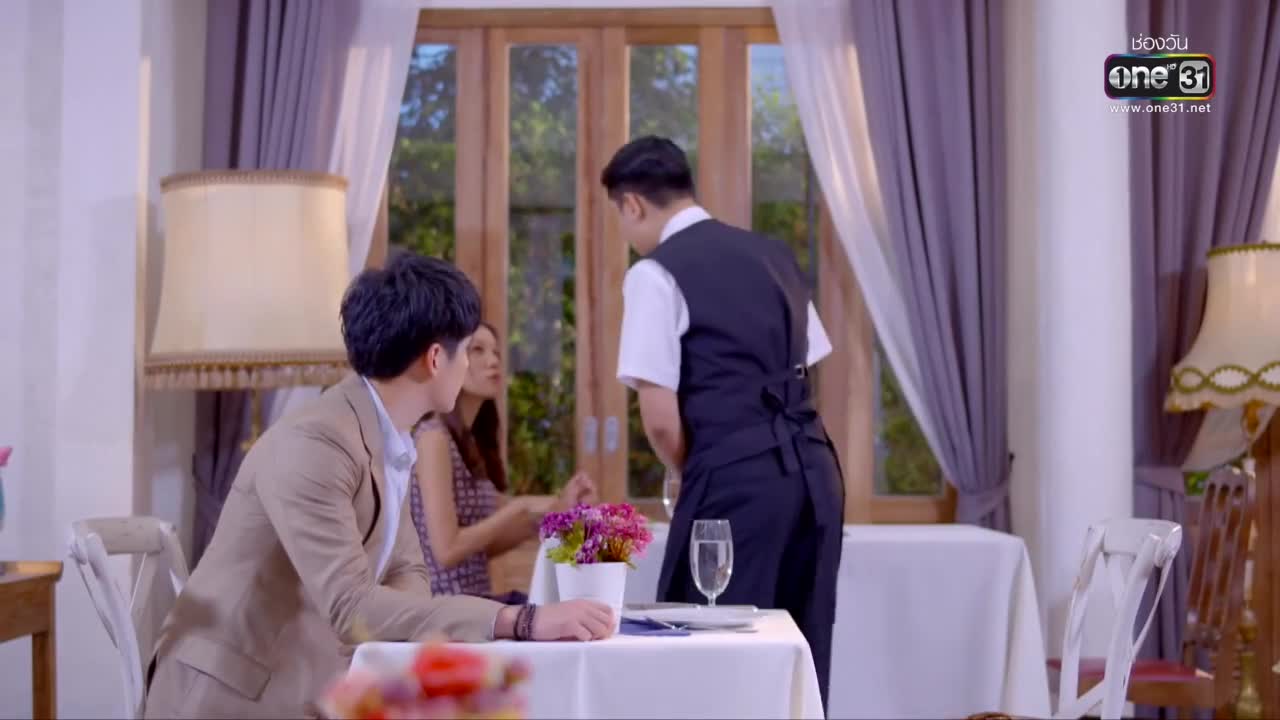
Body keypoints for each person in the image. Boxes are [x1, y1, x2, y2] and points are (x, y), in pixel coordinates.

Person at [145, 255, 614, 720]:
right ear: (436, 359)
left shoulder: (389, 436)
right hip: (226, 699)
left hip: (310, 684)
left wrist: (407, 624)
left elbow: (407, 569)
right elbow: (352, 606)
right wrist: (520, 620)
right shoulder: (317, 444)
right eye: (468, 350)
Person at [602, 136, 844, 708]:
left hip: (735, 480)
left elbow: (661, 419)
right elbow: (807, 362)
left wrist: (692, 469)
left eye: (620, 217)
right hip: (815, 474)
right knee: (798, 652)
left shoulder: (655, 273)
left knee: (709, 653)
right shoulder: (774, 256)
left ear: (632, 204)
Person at [409, 320, 596, 603]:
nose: (493, 360)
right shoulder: (433, 438)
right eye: (478, 350)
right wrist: (521, 508)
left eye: (496, 352)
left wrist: (555, 510)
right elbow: (446, 551)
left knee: (570, 608)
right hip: (444, 609)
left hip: (477, 602)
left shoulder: (470, 442)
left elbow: (482, 547)